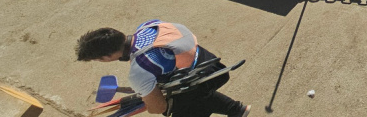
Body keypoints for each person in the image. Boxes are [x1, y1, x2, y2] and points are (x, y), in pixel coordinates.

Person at [75, 21, 250, 117]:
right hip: (213, 64)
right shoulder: (151, 25)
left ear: (106, 57)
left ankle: (235, 110)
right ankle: (236, 109)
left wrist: (150, 103)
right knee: (197, 96)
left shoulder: (139, 71)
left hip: (199, 82)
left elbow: (158, 107)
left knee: (184, 102)